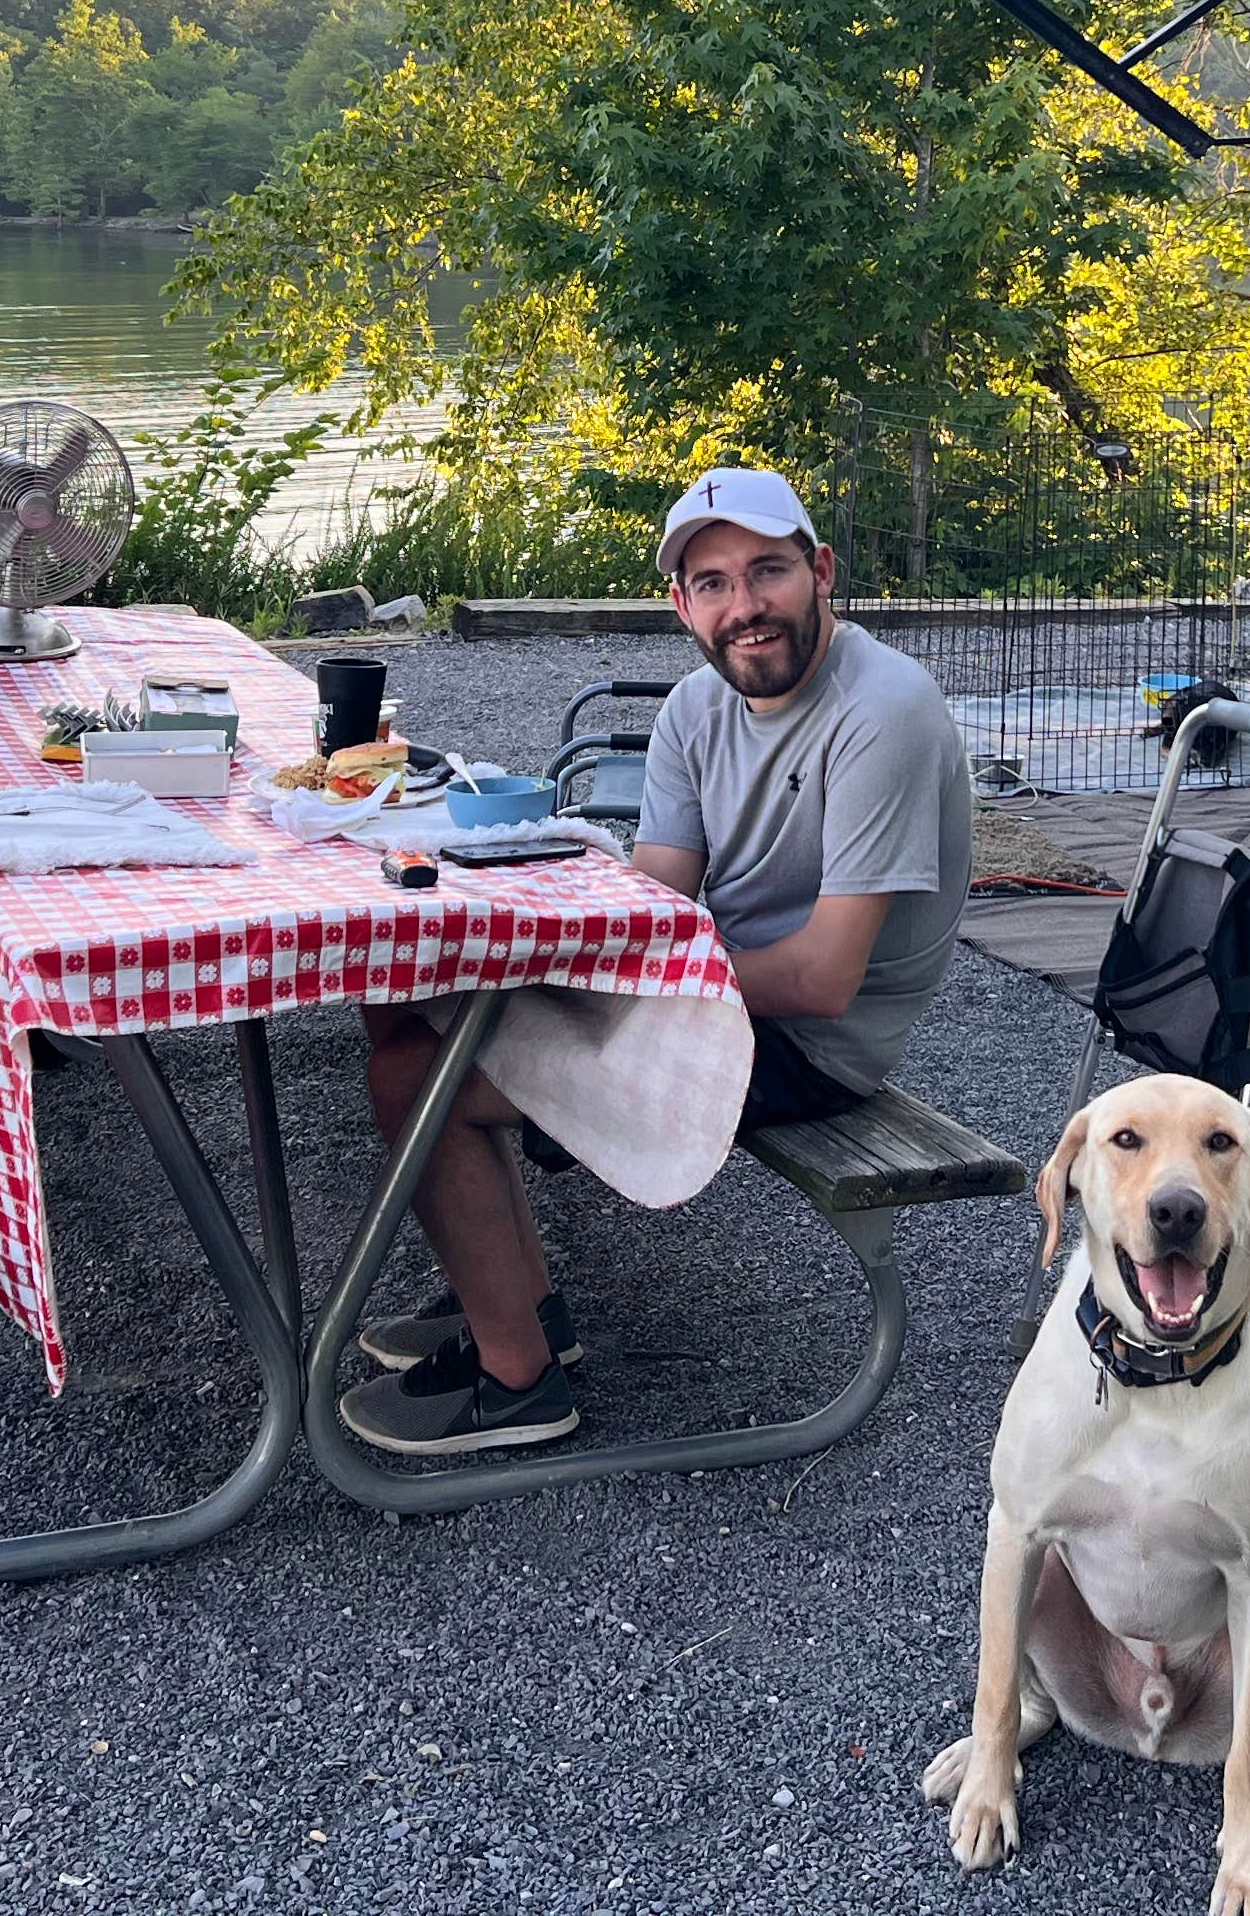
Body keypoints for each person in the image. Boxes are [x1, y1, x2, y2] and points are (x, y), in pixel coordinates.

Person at [343, 465, 974, 1452]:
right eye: (713, 583)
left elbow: (822, 979)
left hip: (814, 1049)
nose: (745, 607)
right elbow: (660, 900)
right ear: (681, 605)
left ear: (822, 572)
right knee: (414, 999)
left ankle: (517, 1383)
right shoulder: (692, 709)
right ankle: (526, 1313)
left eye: (767, 571)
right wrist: (573, 953)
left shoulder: (884, 710)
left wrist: (627, 972)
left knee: (411, 1070)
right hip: (712, 995)